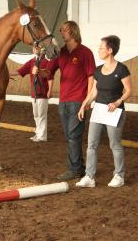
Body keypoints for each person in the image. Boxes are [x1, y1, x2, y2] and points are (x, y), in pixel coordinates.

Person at [36, 21, 96, 181]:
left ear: (73, 32)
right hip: (63, 101)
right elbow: (48, 72)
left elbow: (91, 77)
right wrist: (38, 71)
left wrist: (88, 100)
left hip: (78, 100)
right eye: (61, 30)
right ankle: (79, 167)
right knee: (70, 136)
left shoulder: (85, 52)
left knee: (72, 136)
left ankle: (74, 170)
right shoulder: (60, 53)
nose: (61, 33)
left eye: (65, 30)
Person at [76, 35, 132, 188]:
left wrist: (118, 102)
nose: (98, 50)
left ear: (110, 50)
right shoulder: (98, 70)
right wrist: (83, 105)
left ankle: (119, 176)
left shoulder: (121, 69)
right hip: (99, 110)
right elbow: (93, 92)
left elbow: (128, 90)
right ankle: (89, 176)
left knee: (115, 144)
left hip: (115, 111)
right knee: (91, 144)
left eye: (101, 48)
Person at [10, 46, 53, 142]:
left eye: (38, 48)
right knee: (36, 115)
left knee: (42, 115)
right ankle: (38, 134)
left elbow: (49, 76)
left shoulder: (46, 62)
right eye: (34, 48)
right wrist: (6, 73)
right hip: (34, 93)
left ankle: (42, 136)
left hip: (42, 93)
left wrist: (50, 90)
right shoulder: (31, 62)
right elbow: (20, 71)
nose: (36, 50)